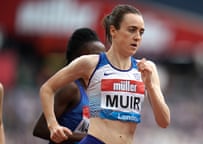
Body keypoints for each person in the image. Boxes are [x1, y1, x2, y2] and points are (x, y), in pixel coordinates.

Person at [39, 4, 170, 144]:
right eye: (132, 30)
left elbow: (164, 122)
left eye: (141, 32)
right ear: (113, 30)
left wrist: (149, 85)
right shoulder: (92, 63)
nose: (137, 37)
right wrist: (53, 125)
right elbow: (47, 88)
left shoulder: (147, 68)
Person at [33, 28, 105, 144]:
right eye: (96, 57)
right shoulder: (71, 89)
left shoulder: (95, 92)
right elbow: (40, 129)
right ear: (80, 59)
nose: (101, 61)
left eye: (103, 56)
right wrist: (86, 137)